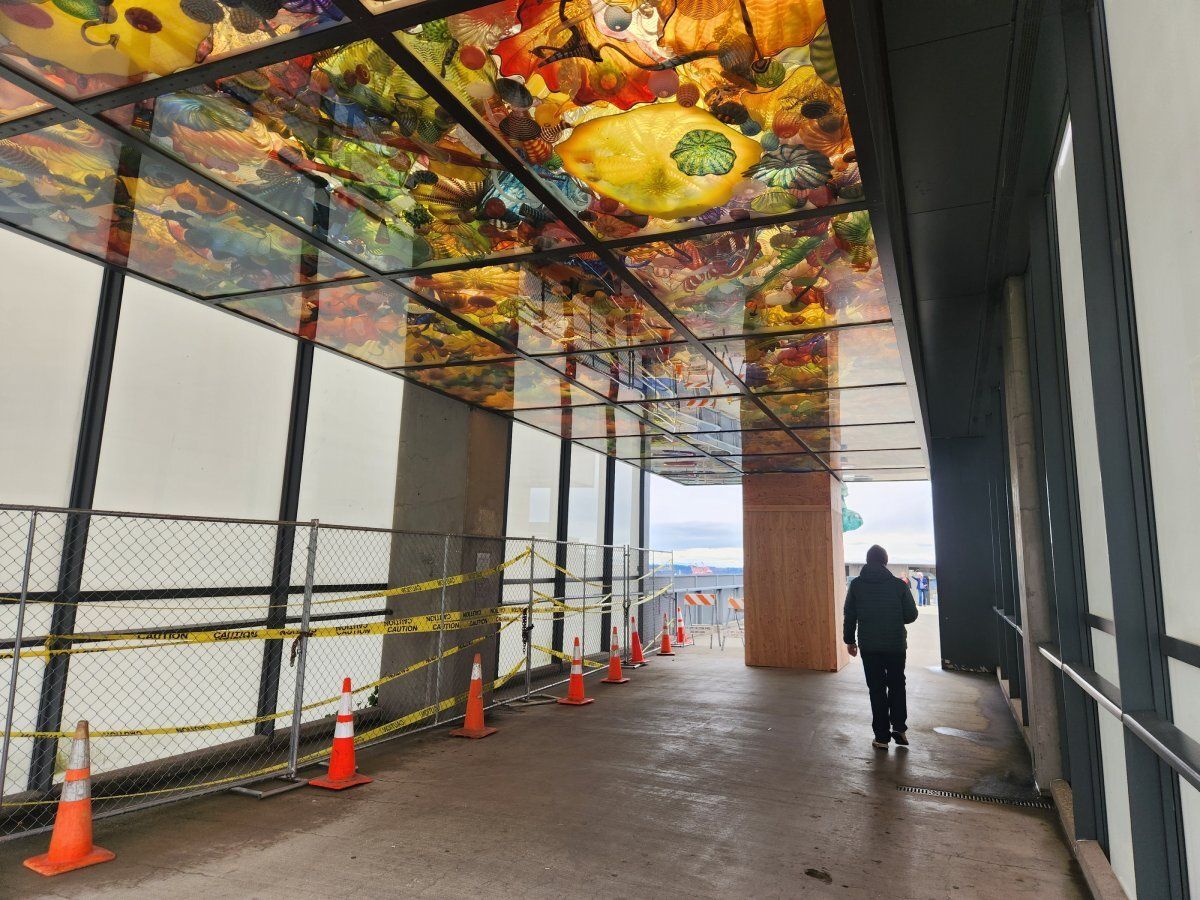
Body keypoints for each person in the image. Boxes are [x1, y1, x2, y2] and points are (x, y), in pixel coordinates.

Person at [843, 544, 919, 750]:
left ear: (867, 561)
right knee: (897, 684)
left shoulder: (856, 585)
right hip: (895, 645)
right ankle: (899, 728)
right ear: (885, 561)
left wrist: (849, 641)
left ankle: (882, 737)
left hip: (869, 646)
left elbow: (850, 615)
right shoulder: (899, 585)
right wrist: (895, 617)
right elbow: (911, 615)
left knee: (876, 688)